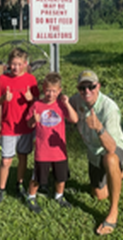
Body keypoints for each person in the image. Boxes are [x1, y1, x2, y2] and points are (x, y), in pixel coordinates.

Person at [69, 70, 123, 236]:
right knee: (99, 194)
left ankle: (113, 213)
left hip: (114, 148)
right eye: (82, 88)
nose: (87, 91)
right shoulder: (76, 100)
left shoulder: (109, 108)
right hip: (94, 153)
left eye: (91, 86)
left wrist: (99, 127)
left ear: (98, 86)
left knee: (111, 159)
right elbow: (59, 107)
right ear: (78, 88)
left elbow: (112, 148)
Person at [0, 47, 40, 205]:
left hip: (25, 126)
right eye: (13, 64)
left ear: (25, 64)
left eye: (19, 64)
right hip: (8, 126)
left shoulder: (31, 80)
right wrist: (3, 98)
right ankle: (1, 189)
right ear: (8, 64)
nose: (16, 68)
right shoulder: (2, 80)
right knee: (6, 160)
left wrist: (31, 98)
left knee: (23, 157)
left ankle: (19, 184)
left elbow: (38, 103)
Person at [24, 72, 78, 213]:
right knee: (37, 177)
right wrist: (32, 120)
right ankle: (31, 196)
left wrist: (67, 103)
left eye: (54, 91)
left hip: (59, 151)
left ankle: (59, 196)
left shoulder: (61, 105)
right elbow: (29, 125)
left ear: (59, 91)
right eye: (48, 90)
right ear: (43, 88)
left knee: (61, 177)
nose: (50, 94)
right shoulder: (37, 105)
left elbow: (74, 119)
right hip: (42, 150)